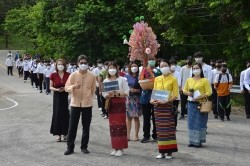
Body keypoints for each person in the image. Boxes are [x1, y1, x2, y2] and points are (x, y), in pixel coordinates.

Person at [64, 55, 96, 155]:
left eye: (85, 63)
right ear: (78, 64)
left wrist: (89, 98)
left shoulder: (92, 76)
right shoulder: (73, 75)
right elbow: (66, 88)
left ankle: (84, 146)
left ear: (88, 64)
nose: (83, 64)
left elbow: (93, 90)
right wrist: (74, 86)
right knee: (72, 126)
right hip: (75, 103)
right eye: (81, 63)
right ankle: (70, 147)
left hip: (87, 104)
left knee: (86, 126)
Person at [150, 60, 178, 159]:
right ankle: (162, 151)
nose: (163, 68)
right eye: (161, 66)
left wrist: (166, 101)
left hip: (167, 107)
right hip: (157, 107)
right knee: (160, 130)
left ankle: (169, 152)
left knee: (168, 129)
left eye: (165, 66)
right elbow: (154, 91)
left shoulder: (173, 79)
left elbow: (175, 95)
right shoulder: (157, 78)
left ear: (169, 67)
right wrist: (152, 100)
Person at [102, 61, 129, 157]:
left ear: (116, 69)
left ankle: (121, 148)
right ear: (108, 70)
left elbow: (127, 92)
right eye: (110, 68)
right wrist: (107, 95)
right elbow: (104, 93)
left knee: (121, 126)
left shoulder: (122, 79)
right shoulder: (106, 81)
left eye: (113, 67)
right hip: (111, 105)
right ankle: (115, 147)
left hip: (120, 104)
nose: (112, 70)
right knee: (113, 126)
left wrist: (118, 93)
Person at [183, 63, 212, 148]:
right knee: (191, 123)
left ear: (201, 69)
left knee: (199, 122)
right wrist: (188, 93)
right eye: (194, 68)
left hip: (201, 104)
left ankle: (198, 141)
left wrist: (200, 96)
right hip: (191, 104)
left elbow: (209, 92)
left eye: (197, 68)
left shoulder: (205, 80)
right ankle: (192, 141)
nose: (195, 70)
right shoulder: (189, 80)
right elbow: (184, 90)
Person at [140, 58, 161, 143]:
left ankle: (156, 135)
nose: (151, 61)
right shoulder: (144, 70)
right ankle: (146, 136)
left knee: (156, 117)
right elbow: (140, 80)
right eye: (150, 59)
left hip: (156, 96)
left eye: (153, 60)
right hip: (145, 97)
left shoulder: (158, 71)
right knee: (146, 118)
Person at [50, 59, 70, 142]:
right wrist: (57, 90)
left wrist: (65, 88)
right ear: (56, 65)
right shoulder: (53, 75)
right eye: (59, 64)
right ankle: (58, 134)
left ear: (64, 65)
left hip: (66, 95)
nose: (60, 66)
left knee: (65, 114)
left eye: (62, 64)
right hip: (57, 96)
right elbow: (50, 87)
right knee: (57, 113)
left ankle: (65, 133)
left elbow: (70, 85)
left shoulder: (68, 75)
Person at [125, 62, 142, 141]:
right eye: (132, 66)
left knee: (136, 117)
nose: (134, 67)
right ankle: (127, 135)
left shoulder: (140, 76)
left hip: (137, 98)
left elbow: (143, 88)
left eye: (135, 66)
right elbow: (124, 86)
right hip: (128, 98)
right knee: (128, 118)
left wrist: (136, 90)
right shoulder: (126, 76)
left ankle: (136, 135)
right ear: (129, 68)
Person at [170, 62, 181, 128]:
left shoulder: (178, 73)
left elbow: (179, 84)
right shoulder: (167, 73)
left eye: (173, 65)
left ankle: (174, 125)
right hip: (167, 96)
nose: (172, 66)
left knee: (174, 111)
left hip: (175, 96)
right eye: (171, 65)